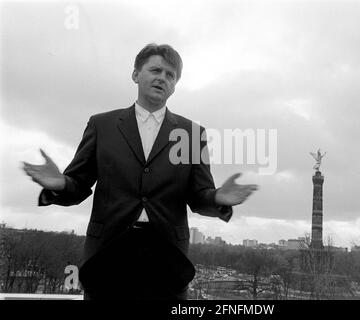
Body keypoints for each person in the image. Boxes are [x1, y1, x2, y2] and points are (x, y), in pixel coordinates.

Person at [22, 43, 258, 300]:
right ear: (136, 74)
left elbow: (199, 195)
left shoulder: (191, 134)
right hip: (107, 258)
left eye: (171, 75)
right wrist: (60, 184)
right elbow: (78, 185)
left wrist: (218, 198)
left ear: (175, 85)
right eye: (155, 70)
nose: (162, 78)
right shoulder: (102, 125)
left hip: (168, 261)